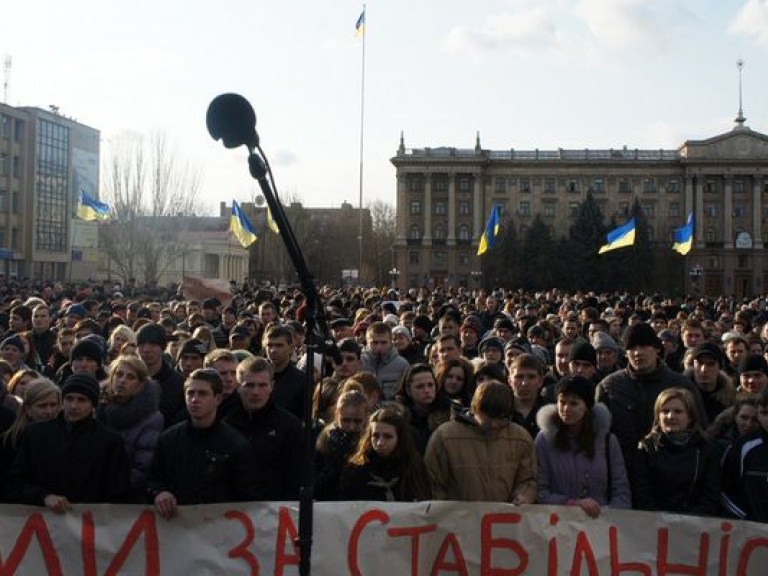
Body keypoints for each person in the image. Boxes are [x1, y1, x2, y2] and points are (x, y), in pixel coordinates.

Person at [5, 374, 130, 511]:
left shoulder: (110, 441)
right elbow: (15, 483)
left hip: (90, 525)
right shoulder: (36, 434)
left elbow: (118, 492)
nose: (74, 406)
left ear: (93, 404)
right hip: (43, 521)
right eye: (69, 399)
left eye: (81, 400)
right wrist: (43, 497)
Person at [146, 368, 259, 519]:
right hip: (175, 526)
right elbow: (153, 478)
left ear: (217, 399)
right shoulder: (169, 439)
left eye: (202, 394)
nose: (194, 399)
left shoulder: (236, 444)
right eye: (190, 393)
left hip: (220, 530)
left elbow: (248, 497)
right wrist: (159, 492)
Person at [596, 322, 708, 471]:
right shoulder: (609, 387)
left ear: (656, 348)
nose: (637, 353)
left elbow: (700, 432)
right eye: (632, 348)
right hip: (622, 472)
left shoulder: (680, 386)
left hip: (671, 475)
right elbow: (596, 437)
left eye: (643, 346)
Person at [424, 380, 537, 503]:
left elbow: (528, 479)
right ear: (475, 409)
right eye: (488, 419)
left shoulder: (520, 438)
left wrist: (523, 496)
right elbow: (434, 483)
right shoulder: (446, 436)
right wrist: (442, 512)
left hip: (505, 517)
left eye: (501, 419)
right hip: (458, 517)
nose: (494, 425)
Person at [535, 376, 631, 518]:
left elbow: (621, 490)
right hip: (558, 525)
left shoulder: (607, 441)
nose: (566, 408)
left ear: (587, 406)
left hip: (600, 525)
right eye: (562, 402)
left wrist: (610, 517)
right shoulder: (544, 440)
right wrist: (570, 504)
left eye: (574, 403)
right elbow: (539, 491)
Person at [632, 387, 721, 516]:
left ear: (690, 417)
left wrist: (688, 520)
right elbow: (641, 494)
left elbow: (711, 496)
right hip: (655, 525)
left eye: (678, 411)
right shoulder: (646, 448)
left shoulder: (705, 449)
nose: (670, 416)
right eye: (665, 411)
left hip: (694, 526)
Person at [224, 356, 304, 500]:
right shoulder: (225, 423)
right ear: (238, 386)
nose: (255, 392)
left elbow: (296, 477)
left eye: (262, 385)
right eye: (249, 385)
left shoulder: (289, 426)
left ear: (272, 386)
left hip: (274, 512)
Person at [96, 355, 163, 500]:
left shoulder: (151, 419)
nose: (122, 380)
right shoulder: (96, 407)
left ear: (140, 385)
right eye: (119, 374)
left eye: (130, 377)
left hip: (125, 497)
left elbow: (142, 468)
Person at [338, 405, 431, 501]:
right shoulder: (356, 469)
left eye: (387, 436)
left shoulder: (412, 467)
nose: (380, 443)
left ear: (399, 438)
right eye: (375, 436)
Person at [0, 379, 61, 497]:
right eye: (42, 406)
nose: (49, 411)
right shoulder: (10, 441)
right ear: (28, 409)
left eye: (53, 405)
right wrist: (41, 496)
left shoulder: (67, 438)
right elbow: (8, 485)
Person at [722, 389, 768, 522]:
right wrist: (747, 519)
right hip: (752, 533)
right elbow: (726, 491)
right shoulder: (743, 447)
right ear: (758, 416)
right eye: (764, 413)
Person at [314, 390, 368, 500]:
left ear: (366, 418)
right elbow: (316, 485)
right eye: (346, 421)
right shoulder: (323, 442)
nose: (351, 427)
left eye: (357, 421)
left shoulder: (371, 442)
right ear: (336, 415)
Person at [393, 363, 451, 453]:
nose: (427, 390)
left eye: (430, 385)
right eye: (420, 387)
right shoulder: (400, 418)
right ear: (408, 390)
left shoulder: (449, 414)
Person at [360, 321, 410, 401]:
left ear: (390, 342)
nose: (379, 347)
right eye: (374, 343)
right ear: (367, 342)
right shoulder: (358, 363)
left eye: (384, 343)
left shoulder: (402, 365)